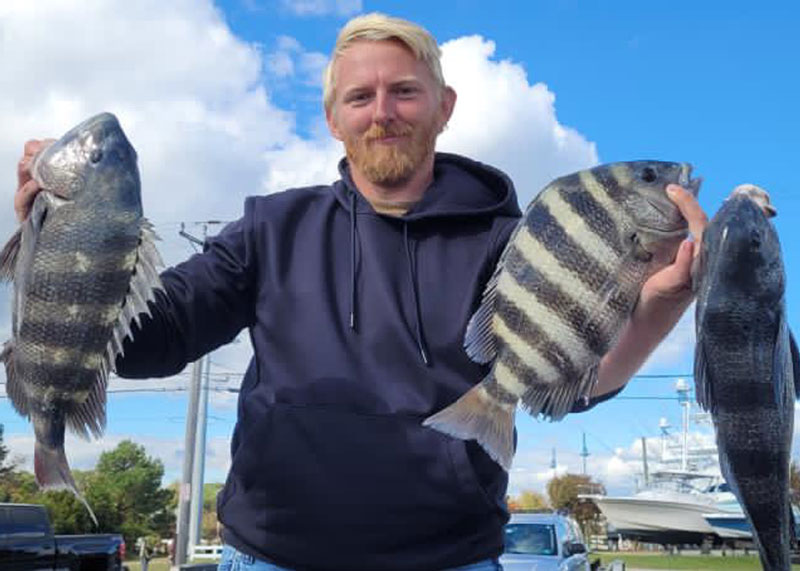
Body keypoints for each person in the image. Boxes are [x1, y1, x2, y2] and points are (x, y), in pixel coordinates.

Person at [14, 13, 706, 571]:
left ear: (444, 106)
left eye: (404, 90)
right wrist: (70, 248)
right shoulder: (270, 227)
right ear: (333, 118)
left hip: (452, 559)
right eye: (360, 96)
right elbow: (152, 341)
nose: (384, 112)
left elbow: (575, 380)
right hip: (268, 558)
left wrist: (663, 304)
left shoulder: (509, 241)